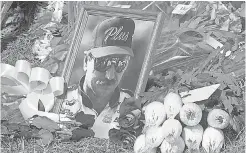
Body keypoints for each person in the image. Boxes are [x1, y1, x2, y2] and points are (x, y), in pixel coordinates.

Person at [59, 17, 141, 139]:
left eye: (120, 63)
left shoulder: (135, 109)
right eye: (103, 62)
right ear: (86, 61)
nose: (110, 75)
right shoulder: (59, 102)